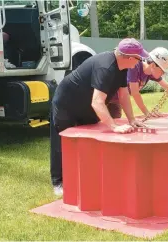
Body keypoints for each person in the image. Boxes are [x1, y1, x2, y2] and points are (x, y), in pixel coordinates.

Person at [50, 38, 147, 196]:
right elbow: (97, 102)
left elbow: (123, 95)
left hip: (86, 105)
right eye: (139, 58)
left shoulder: (122, 67)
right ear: (129, 57)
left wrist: (132, 120)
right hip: (66, 104)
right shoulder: (106, 66)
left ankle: (85, 176)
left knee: (88, 140)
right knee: (63, 142)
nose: (140, 61)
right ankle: (58, 182)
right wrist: (114, 126)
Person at [127, 47, 168, 117]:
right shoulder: (135, 66)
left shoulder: (151, 72)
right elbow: (135, 93)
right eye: (162, 70)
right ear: (153, 65)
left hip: (117, 100)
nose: (163, 73)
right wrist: (147, 113)